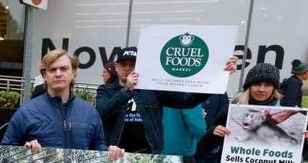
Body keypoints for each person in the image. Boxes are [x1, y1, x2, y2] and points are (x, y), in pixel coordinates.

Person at [96, 48, 235, 154]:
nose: (127, 68)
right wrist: (126, 90)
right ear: (116, 67)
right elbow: (102, 113)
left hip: (148, 154)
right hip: (115, 152)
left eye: (132, 65)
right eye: (123, 65)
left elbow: (187, 101)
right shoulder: (105, 90)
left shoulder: (152, 89)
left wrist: (220, 77)